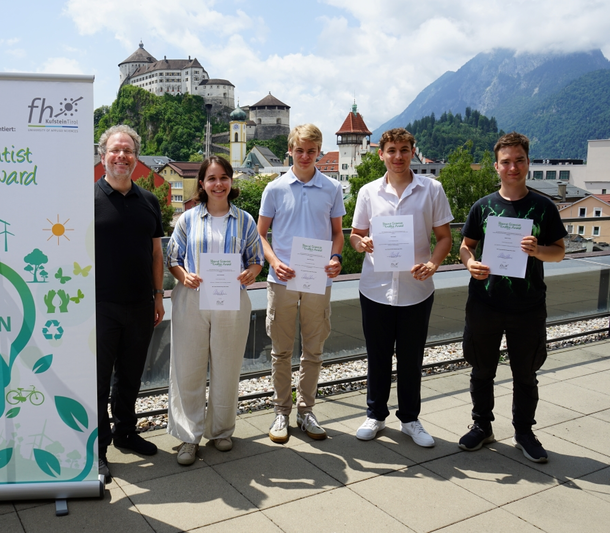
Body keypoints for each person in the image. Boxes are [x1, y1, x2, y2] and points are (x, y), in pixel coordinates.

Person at [458, 132, 566, 463]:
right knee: (481, 370)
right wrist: (470, 264)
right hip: (485, 303)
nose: (513, 167)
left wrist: (538, 251)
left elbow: (559, 252)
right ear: (497, 166)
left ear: (528, 163)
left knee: (525, 374)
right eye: (506, 161)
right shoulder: (483, 207)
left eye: (519, 160)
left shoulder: (543, 207)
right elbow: (466, 247)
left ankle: (524, 432)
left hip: (527, 306)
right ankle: (482, 426)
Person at [350, 128, 453, 448]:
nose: (398, 156)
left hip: (416, 289)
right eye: (391, 150)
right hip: (375, 288)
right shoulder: (368, 192)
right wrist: (361, 242)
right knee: (377, 356)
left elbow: (445, 238)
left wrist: (434, 264)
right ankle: (376, 415)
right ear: (380, 153)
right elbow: (355, 236)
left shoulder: (431, 189)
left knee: (411, 358)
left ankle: (410, 419)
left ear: (413, 151)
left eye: (404, 150)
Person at [166, 156, 264, 465]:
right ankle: (188, 436)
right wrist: (184, 275)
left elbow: (256, 257)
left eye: (223, 177)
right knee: (188, 367)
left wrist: (252, 272)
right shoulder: (188, 219)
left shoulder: (245, 220)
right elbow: (174, 258)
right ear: (202, 184)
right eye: (211, 178)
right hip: (192, 298)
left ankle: (221, 430)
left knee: (227, 365)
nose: (218, 183)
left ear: (231, 181)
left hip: (230, 300)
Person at [258, 124, 345, 443]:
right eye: (300, 150)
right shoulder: (275, 189)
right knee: (280, 352)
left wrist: (336, 258)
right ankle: (281, 411)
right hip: (281, 280)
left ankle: (306, 410)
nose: (305, 156)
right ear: (290, 152)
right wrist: (274, 261)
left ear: (319, 152)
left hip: (318, 279)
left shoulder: (332, 188)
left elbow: (338, 233)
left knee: (314, 350)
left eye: (311, 151)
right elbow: (260, 234)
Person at [94, 125, 165, 483]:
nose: (121, 156)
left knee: (131, 376)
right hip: (99, 305)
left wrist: (157, 296)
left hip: (139, 303)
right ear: (103, 155)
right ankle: (98, 449)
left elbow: (156, 254)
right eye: (115, 151)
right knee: (98, 380)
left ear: (135, 158)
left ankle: (125, 432)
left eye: (128, 151)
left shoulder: (149, 201)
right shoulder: (86, 201)